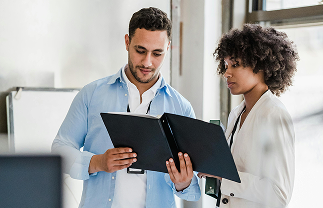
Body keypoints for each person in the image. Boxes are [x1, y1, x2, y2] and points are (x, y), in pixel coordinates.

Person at [52, 7, 200, 208]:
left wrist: (183, 182)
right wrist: (98, 162)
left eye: (157, 53)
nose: (148, 62)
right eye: (140, 50)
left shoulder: (181, 107)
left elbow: (192, 190)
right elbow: (60, 149)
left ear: (168, 48)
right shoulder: (91, 94)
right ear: (127, 42)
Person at [198, 24, 299, 207]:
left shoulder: (274, 114)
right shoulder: (237, 114)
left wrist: (224, 175)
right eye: (226, 65)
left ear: (260, 65)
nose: (227, 73)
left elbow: (279, 194)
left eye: (235, 64)